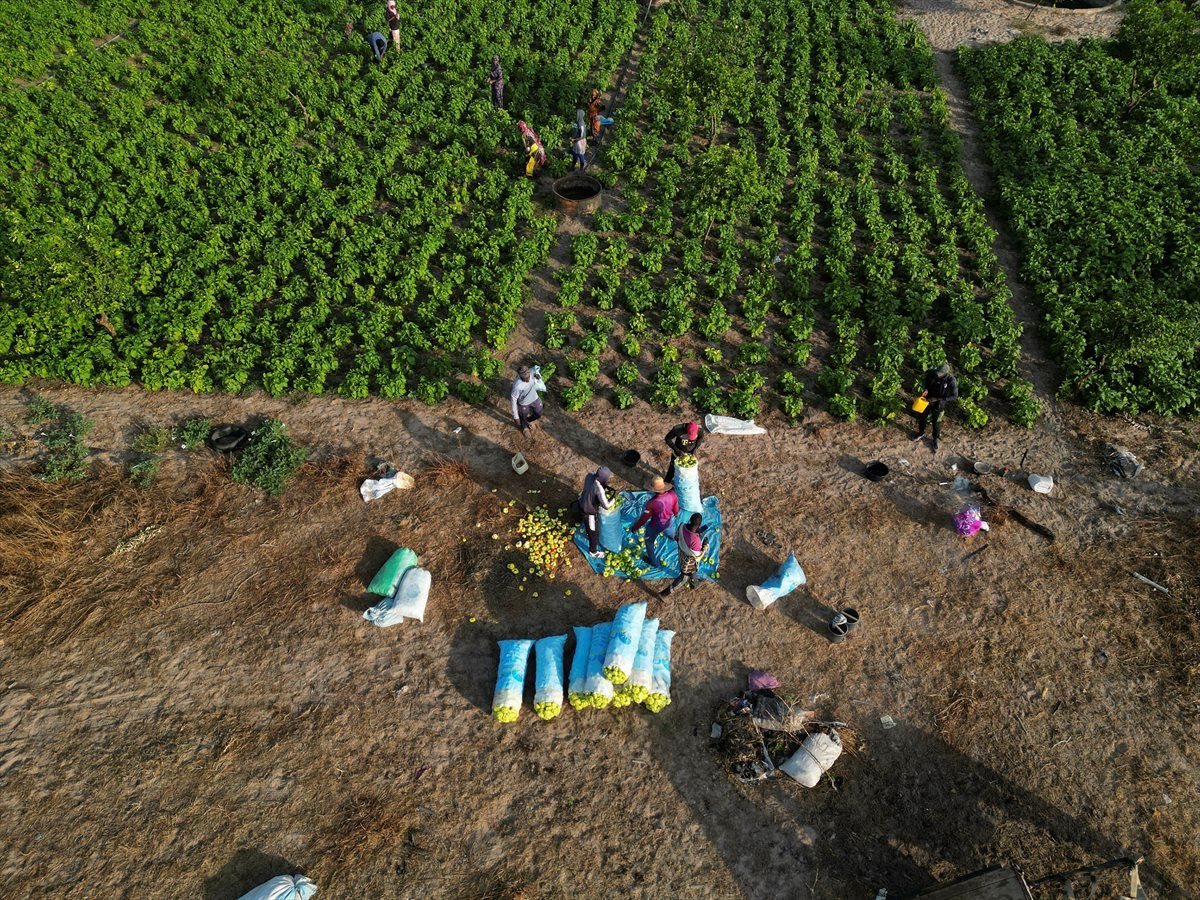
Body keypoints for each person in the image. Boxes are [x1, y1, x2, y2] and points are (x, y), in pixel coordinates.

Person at [911, 362, 959, 452]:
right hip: (927, 401)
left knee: (936, 422)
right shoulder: (932, 373)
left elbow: (954, 396)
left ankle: (935, 439)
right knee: (922, 417)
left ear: (946, 373)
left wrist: (938, 399)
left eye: (940, 374)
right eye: (938, 373)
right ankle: (921, 432)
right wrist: (925, 389)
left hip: (939, 403)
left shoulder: (951, 380)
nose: (938, 375)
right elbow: (925, 382)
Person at [632, 476, 679, 567]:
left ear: (654, 490)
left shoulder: (652, 502)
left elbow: (644, 518)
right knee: (670, 531)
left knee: (649, 542)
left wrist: (635, 527)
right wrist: (676, 514)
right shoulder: (672, 494)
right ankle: (675, 538)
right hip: (668, 522)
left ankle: (653, 562)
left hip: (655, 526)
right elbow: (676, 508)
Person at [662, 513, 708, 596]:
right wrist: (705, 546)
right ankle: (664, 594)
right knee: (684, 577)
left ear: (690, 520)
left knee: (693, 572)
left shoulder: (682, 525)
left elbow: (676, 537)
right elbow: (698, 556)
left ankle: (695, 584)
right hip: (688, 562)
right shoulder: (696, 541)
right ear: (699, 525)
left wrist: (696, 533)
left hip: (681, 554)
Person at [579, 467, 614, 558]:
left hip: (582, 501)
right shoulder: (599, 489)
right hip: (588, 512)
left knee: (590, 528)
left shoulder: (589, 475)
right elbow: (606, 506)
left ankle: (588, 529)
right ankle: (593, 552)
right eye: (607, 478)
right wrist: (613, 500)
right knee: (593, 532)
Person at [510, 364, 547, 435]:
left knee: (539, 413)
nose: (527, 379)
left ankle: (527, 420)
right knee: (522, 416)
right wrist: (515, 416)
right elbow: (513, 399)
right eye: (525, 378)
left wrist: (538, 378)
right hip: (524, 403)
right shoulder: (517, 386)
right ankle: (524, 428)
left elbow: (536, 375)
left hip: (534, 398)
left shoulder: (531, 373)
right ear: (520, 376)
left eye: (528, 376)